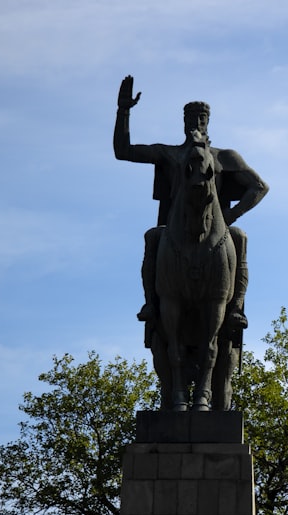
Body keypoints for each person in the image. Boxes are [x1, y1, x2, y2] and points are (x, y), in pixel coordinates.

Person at [113, 75, 269, 339]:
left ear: (208, 122)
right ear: (184, 122)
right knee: (153, 237)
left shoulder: (224, 157)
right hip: (176, 228)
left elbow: (259, 186)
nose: (196, 123)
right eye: (191, 119)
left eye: (201, 119)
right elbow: (123, 150)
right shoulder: (170, 154)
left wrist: (231, 214)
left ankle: (236, 308)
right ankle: (151, 303)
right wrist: (123, 111)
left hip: (214, 230)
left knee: (239, 237)